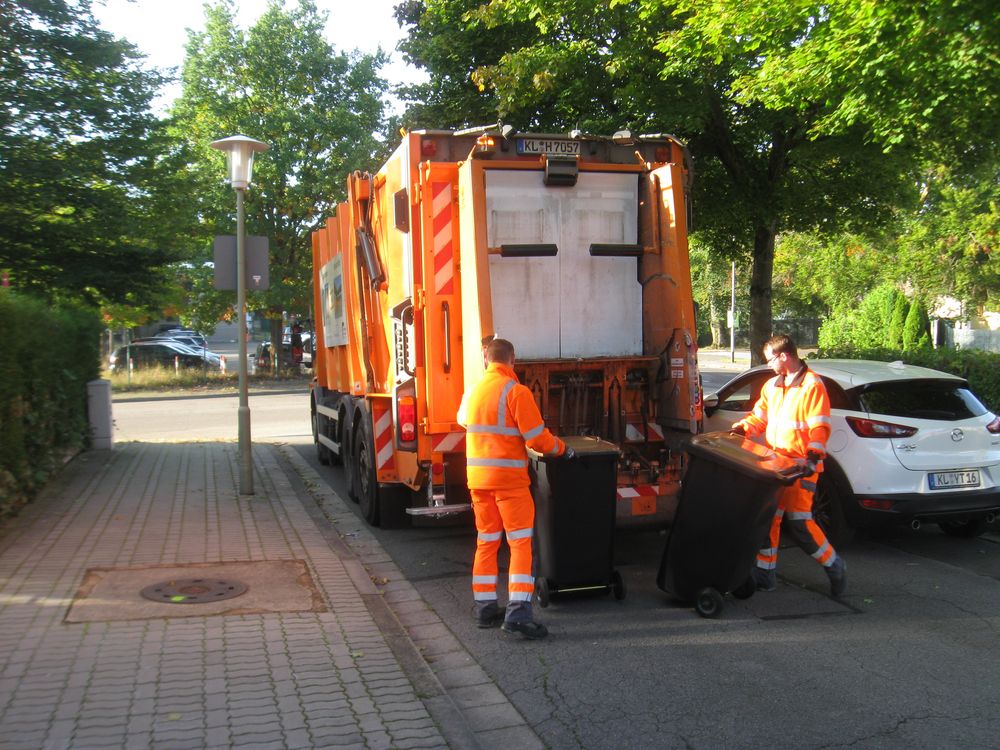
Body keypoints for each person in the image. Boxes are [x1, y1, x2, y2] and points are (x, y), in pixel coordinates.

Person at [459, 337, 574, 639]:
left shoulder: (472, 392)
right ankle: (519, 615)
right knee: (520, 544)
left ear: (487, 359)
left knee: (486, 543)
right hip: (509, 483)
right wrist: (563, 449)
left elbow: (464, 422)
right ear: (513, 360)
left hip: (478, 481)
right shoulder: (515, 392)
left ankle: (485, 609)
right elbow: (537, 438)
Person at [732, 334, 847, 597]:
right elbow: (759, 418)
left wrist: (812, 456)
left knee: (799, 522)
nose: (769, 365)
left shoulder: (812, 386)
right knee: (767, 519)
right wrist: (742, 428)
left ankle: (834, 565)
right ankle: (765, 574)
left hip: (801, 467)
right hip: (776, 467)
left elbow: (819, 426)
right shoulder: (772, 386)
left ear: (784, 356)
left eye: (771, 359)